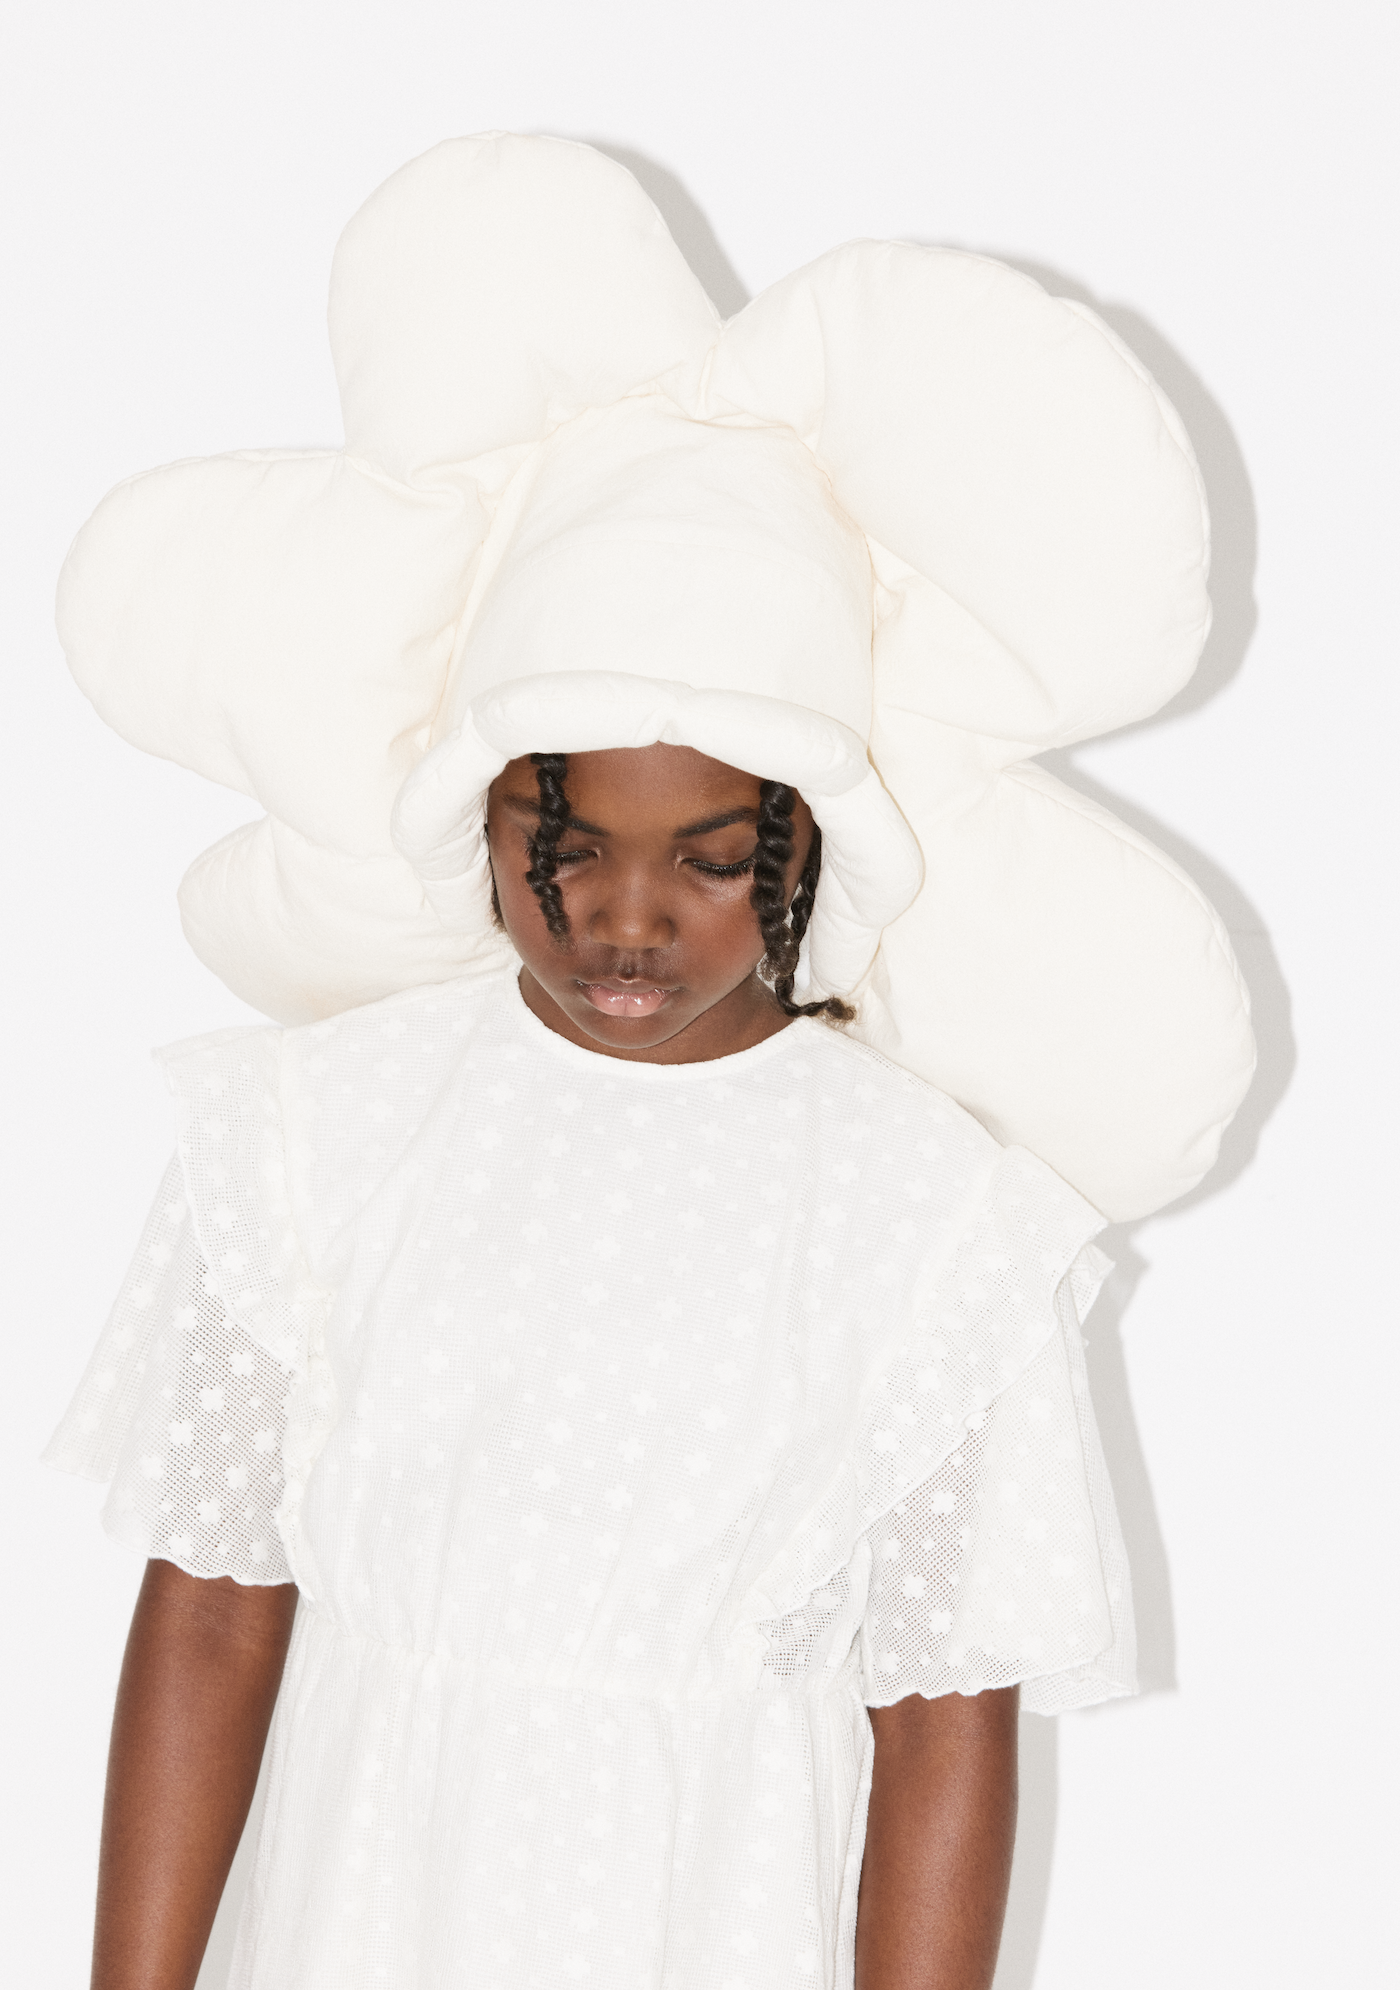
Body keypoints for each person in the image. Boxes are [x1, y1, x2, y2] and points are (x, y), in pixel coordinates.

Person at [44, 135, 1254, 1990]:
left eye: (710, 859)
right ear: (477, 808)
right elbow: (213, 1612)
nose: (627, 916)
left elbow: (944, 1725)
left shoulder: (932, 1217)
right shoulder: (314, 1136)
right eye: (567, 841)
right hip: (356, 1917)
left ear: (810, 840)